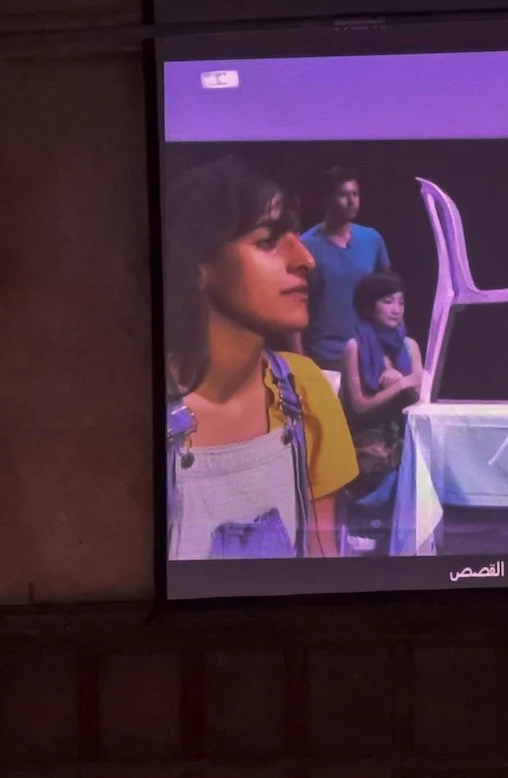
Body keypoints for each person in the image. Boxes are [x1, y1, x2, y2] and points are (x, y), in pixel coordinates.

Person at [164, 156, 359, 559]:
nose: (306, 260)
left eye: (296, 238)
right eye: (268, 241)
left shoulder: (305, 390)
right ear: (198, 267)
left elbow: (322, 563)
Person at [337, 270, 423, 552]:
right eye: (388, 301)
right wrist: (398, 387)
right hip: (364, 433)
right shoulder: (354, 347)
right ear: (369, 305)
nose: (396, 309)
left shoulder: (409, 346)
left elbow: (419, 397)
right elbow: (360, 406)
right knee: (374, 458)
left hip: (402, 431)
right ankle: (364, 525)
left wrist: (404, 386)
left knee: (420, 457)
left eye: (401, 302)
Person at [298, 165, 394, 373]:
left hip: (368, 353)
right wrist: (299, 362)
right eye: (344, 195)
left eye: (355, 194)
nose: (352, 201)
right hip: (324, 357)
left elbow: (389, 296)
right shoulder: (305, 246)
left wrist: (392, 347)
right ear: (327, 200)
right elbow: (293, 305)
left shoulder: (372, 239)